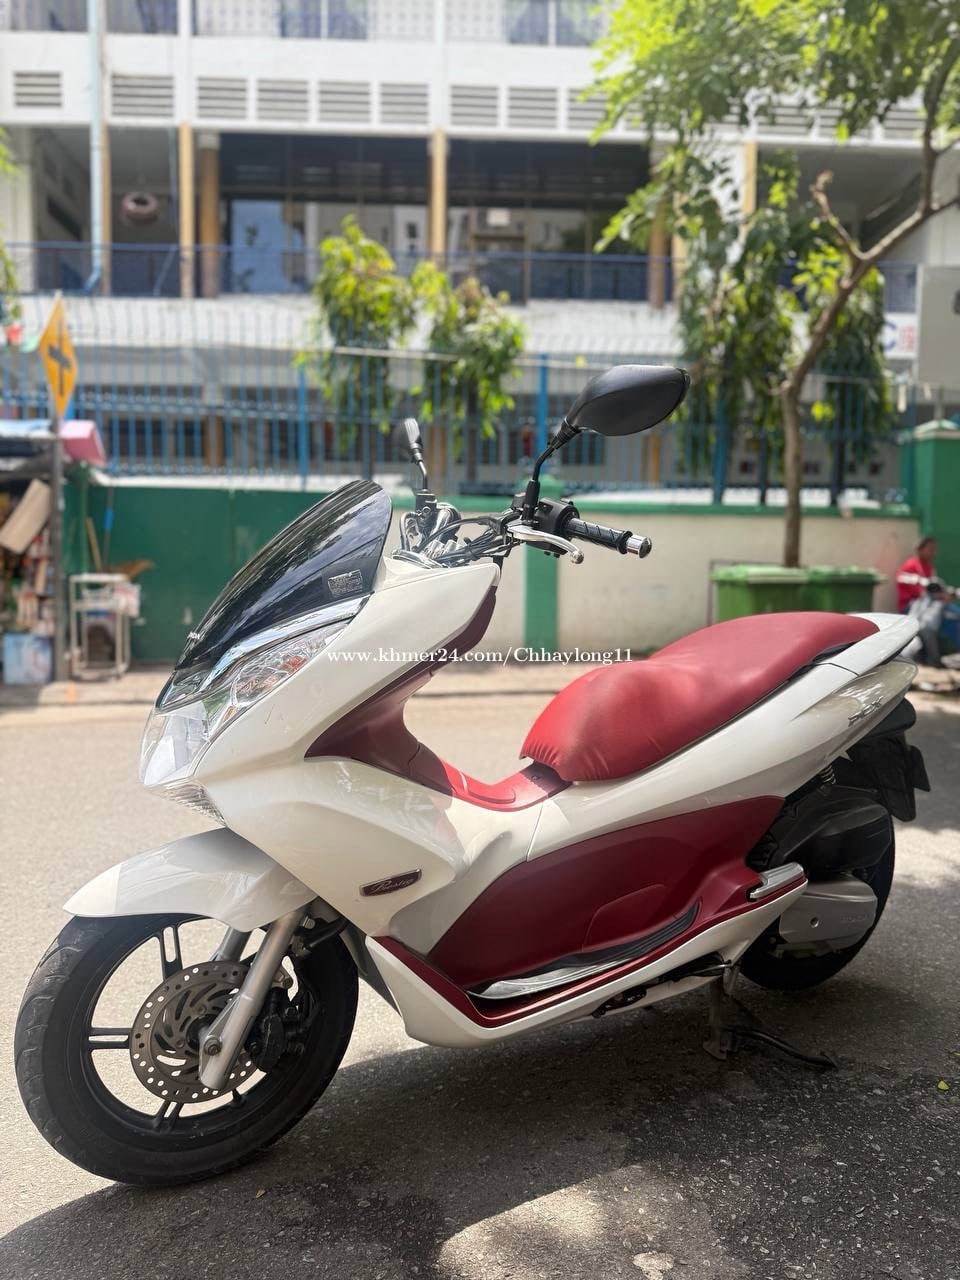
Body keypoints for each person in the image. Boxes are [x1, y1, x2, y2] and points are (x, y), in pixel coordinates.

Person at [896, 536, 955, 667]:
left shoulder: (929, 567)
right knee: (927, 625)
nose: (933, 553)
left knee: (951, 614)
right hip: (911, 608)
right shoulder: (911, 565)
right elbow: (921, 593)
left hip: (929, 606)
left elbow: (935, 590)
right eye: (930, 549)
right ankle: (934, 659)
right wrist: (938, 594)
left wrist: (944, 595)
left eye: (935, 550)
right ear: (920, 549)